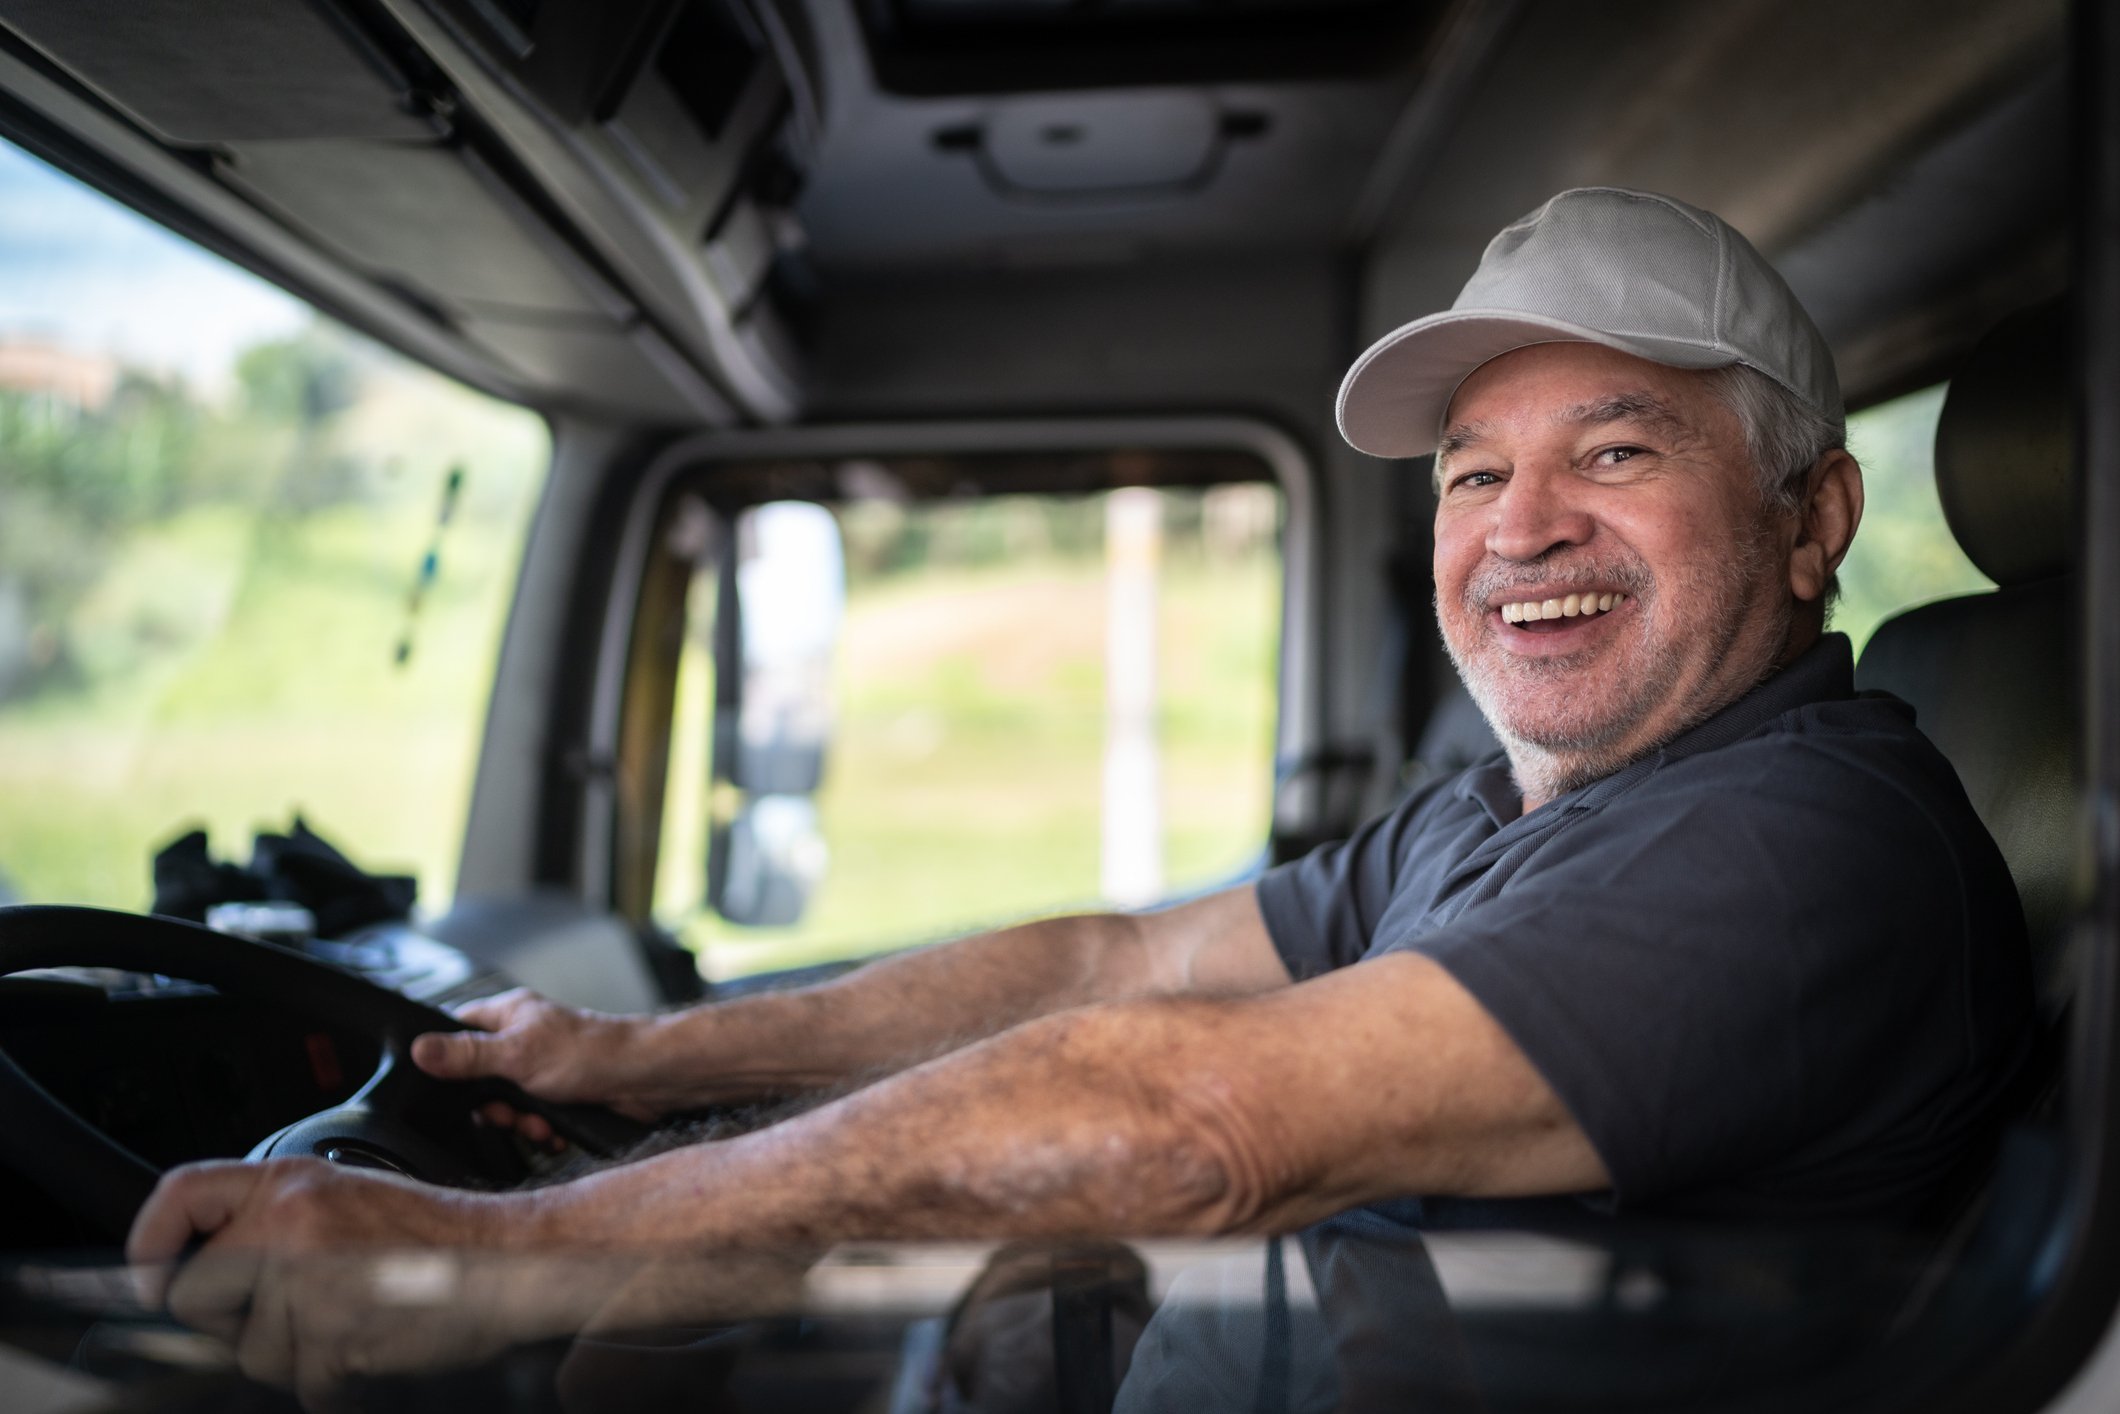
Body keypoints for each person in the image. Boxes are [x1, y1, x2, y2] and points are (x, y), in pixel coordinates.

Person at [126, 187, 2032, 1381]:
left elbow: (1194, 1113)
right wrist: (636, 1066)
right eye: (1470, 472)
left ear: (1813, 519)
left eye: (1615, 452)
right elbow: (1124, 967)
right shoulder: (1517, 806)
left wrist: (488, 1260)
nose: (1520, 528)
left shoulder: (1805, 847)